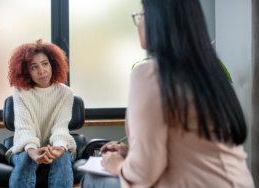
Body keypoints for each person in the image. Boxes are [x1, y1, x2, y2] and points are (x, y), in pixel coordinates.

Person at [81, 0, 255, 187]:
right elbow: (192, 153)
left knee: (92, 178)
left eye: (141, 14)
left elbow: (143, 174)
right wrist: (130, 154)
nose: (138, 22)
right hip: (239, 182)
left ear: (158, 21)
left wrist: (117, 164)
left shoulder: (151, 73)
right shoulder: (212, 72)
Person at [6, 39, 76, 188]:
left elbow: (60, 127)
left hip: (56, 146)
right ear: (26, 72)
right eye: (34, 67)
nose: (42, 71)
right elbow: (25, 129)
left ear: (53, 64)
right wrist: (32, 151)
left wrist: (59, 148)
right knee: (26, 158)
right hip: (26, 148)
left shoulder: (66, 93)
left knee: (63, 158)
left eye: (45, 64)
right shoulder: (20, 92)